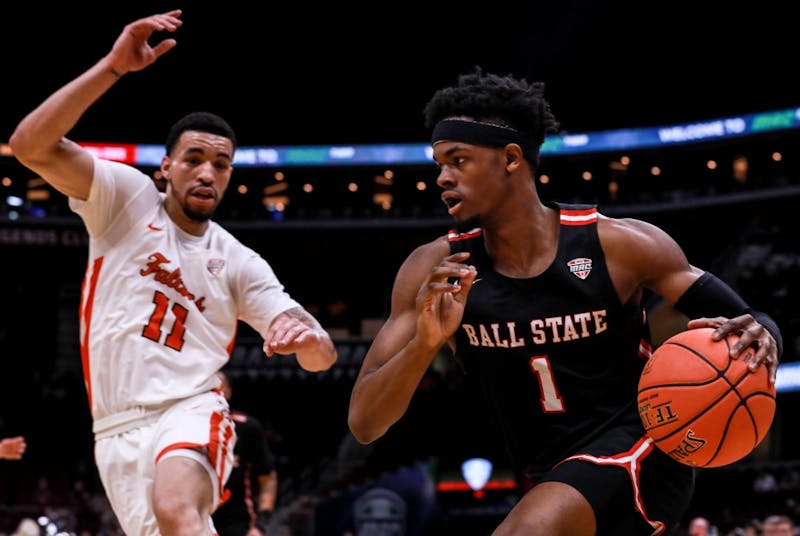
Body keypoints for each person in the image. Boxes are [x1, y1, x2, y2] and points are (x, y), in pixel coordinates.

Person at [347, 67, 783, 536]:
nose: (442, 178)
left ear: (511, 159)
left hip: (643, 452)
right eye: (439, 164)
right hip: (545, 475)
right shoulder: (432, 270)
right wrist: (423, 346)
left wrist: (766, 334)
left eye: (458, 160)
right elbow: (365, 423)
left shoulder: (620, 246)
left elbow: (751, 319)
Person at [9, 10, 337, 536]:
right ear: (167, 168)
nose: (208, 171)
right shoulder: (125, 198)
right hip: (114, 428)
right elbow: (29, 145)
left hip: (189, 408)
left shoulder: (237, 259)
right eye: (194, 158)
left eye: (221, 163)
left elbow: (322, 358)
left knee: (176, 507)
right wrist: (113, 68)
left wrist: (306, 337)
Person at [213, 370, 279, 536]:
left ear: (228, 392)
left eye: (218, 387)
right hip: (193, 519)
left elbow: (268, 477)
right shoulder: (183, 428)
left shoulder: (247, 428)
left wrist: (261, 525)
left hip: (236, 522)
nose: (212, 392)